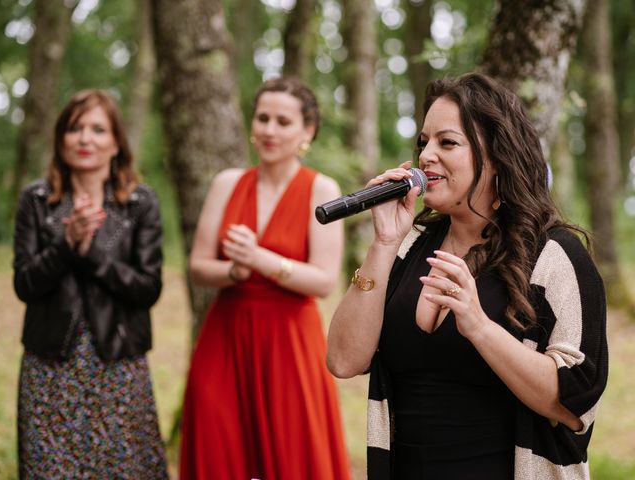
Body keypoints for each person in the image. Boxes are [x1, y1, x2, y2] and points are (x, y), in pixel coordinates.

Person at [327, 73, 608, 480]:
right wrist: (384, 243)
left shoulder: (554, 254)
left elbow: (574, 400)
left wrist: (478, 326)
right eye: (423, 142)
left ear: (497, 157)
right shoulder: (410, 244)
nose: (426, 156)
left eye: (447, 142)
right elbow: (342, 360)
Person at [179, 76, 351, 479]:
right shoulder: (227, 184)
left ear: (306, 131)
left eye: (283, 121)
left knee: (291, 454)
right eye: (263, 118)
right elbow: (198, 267)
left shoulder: (320, 188)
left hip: (290, 341)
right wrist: (234, 270)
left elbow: (324, 281)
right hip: (226, 335)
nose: (270, 130)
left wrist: (260, 258)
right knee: (220, 448)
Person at [13, 90, 169, 479]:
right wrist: (66, 245)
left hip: (118, 361)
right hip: (50, 364)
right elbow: (25, 284)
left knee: (124, 469)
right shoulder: (35, 200)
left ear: (116, 142)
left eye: (98, 129)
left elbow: (147, 288)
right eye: (75, 128)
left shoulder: (139, 203)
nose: (85, 139)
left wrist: (91, 253)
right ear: (60, 138)